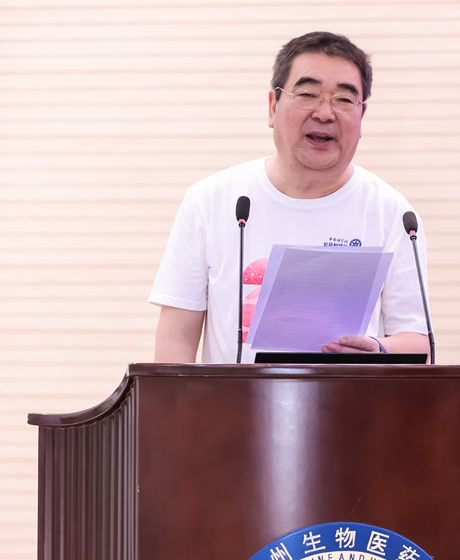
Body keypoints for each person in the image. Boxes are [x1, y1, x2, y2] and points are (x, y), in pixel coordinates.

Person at [150, 31, 430, 363]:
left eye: (344, 99)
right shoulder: (211, 201)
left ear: (361, 116)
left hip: (350, 397)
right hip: (232, 398)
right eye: (308, 94)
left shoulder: (394, 214)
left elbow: (417, 341)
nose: (325, 113)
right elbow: (176, 337)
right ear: (273, 107)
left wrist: (380, 348)